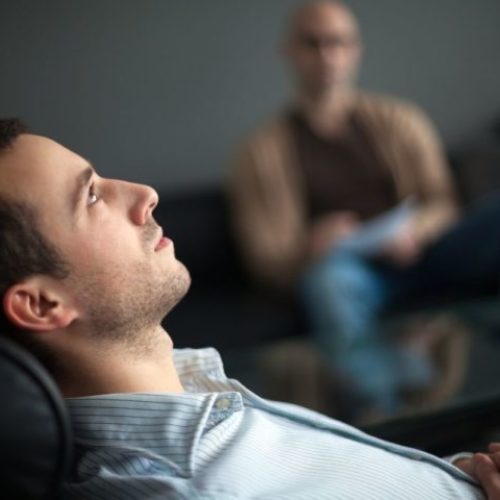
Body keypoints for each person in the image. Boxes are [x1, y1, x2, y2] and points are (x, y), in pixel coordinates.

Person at [0, 118, 498, 499]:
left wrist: (458, 473)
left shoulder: (194, 387)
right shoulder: (190, 486)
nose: (145, 195)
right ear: (43, 304)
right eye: (91, 196)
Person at [229, 0, 500, 417]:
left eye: (337, 42)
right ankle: (386, 412)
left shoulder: (401, 119)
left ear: (356, 49)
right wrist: (312, 244)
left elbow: (442, 201)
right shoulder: (258, 151)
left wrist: (416, 231)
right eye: (312, 43)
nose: (326, 55)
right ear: (289, 52)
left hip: (423, 251)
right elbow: (265, 258)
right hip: (348, 269)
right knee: (328, 282)